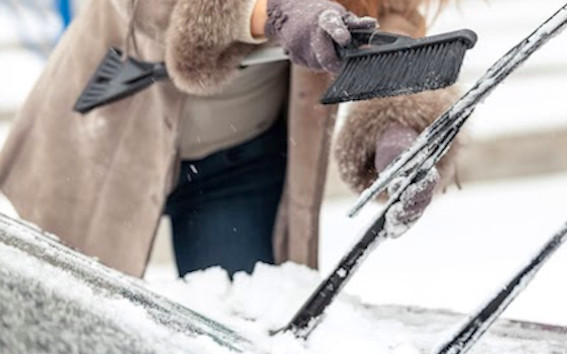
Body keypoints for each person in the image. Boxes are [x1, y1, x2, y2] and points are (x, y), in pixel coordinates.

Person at [0, 0, 461, 278]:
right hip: (102, 144)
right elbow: (147, 15)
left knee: (236, 330)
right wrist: (273, 12)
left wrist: (398, 126)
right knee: (70, 345)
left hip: (240, 163)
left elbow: (391, 17)